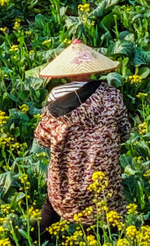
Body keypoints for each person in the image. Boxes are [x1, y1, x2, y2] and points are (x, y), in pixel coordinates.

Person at [33, 40, 131, 236]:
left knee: (53, 203)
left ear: (67, 72)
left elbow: (42, 137)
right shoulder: (111, 94)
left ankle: (35, 237)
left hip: (67, 174)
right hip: (104, 175)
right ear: (93, 68)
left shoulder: (56, 94)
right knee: (104, 212)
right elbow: (124, 131)